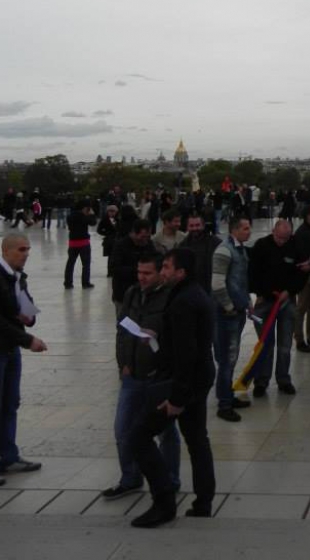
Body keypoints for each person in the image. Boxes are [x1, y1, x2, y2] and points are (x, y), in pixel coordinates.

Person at [128, 248, 217, 528]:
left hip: (182, 384)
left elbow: (186, 355)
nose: (162, 272)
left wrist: (177, 398)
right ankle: (203, 501)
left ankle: (164, 501)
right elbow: (187, 340)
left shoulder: (182, 302)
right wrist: (159, 334)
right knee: (197, 439)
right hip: (199, 380)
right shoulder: (194, 293)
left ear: (181, 272)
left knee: (138, 436)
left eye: (166, 267)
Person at [102, 254, 180, 500]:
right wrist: (123, 362)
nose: (141, 278)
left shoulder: (170, 297)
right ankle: (130, 477)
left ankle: (169, 478)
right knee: (122, 427)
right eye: (139, 272)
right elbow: (123, 330)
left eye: (147, 273)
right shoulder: (132, 293)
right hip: (132, 374)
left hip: (158, 376)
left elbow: (176, 338)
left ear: (160, 273)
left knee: (166, 432)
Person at [0, 234, 46, 480]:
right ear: (6, 251)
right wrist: (28, 340)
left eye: (28, 248)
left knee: (10, 403)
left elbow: (26, 307)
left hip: (10, 349)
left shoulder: (18, 277)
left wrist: (30, 317)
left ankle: (8, 456)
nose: (26, 253)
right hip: (5, 346)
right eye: (21, 249)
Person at [248, 220, 302, 397]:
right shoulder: (261, 245)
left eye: (285, 239)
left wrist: (289, 291)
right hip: (265, 302)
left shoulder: (295, 246)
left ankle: (284, 379)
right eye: (279, 237)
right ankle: (261, 381)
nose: (281, 241)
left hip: (287, 302)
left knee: (285, 345)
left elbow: (300, 273)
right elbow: (252, 273)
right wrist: (262, 292)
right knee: (265, 344)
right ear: (273, 232)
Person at [211, 216, 252, 422]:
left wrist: (246, 303)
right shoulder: (224, 250)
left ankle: (227, 395)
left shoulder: (240, 249)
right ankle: (224, 404)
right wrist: (228, 307)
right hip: (226, 314)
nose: (249, 231)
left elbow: (240, 282)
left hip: (236, 311)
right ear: (234, 230)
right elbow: (217, 284)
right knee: (226, 359)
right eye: (245, 228)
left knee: (231, 358)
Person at [111, 219, 156, 318]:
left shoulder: (149, 244)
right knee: (124, 324)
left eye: (148, 237)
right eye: (143, 237)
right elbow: (115, 269)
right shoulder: (120, 246)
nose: (146, 240)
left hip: (145, 293)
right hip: (123, 294)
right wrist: (139, 270)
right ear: (134, 233)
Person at [292, 203, 310, 353]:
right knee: (302, 308)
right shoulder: (303, 233)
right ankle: (299, 338)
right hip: (305, 276)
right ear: (308, 215)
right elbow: (302, 255)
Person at [179, 213, 220, 295]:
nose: (195, 228)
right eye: (191, 225)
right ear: (187, 227)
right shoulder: (182, 246)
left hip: (211, 288)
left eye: (198, 225)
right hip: (191, 290)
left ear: (203, 226)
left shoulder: (215, 242)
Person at [64, 200, 97, 289]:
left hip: (73, 243)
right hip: (83, 243)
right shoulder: (83, 216)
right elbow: (93, 223)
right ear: (84, 208)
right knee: (86, 265)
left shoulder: (70, 216)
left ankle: (68, 283)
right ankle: (85, 283)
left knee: (70, 264)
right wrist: (92, 214)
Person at [97, 204, 120, 276]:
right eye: (110, 211)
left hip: (117, 240)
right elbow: (99, 230)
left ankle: (116, 271)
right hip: (109, 241)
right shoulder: (104, 220)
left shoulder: (119, 219)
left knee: (117, 256)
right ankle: (110, 272)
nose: (112, 213)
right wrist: (106, 233)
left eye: (113, 211)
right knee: (110, 257)